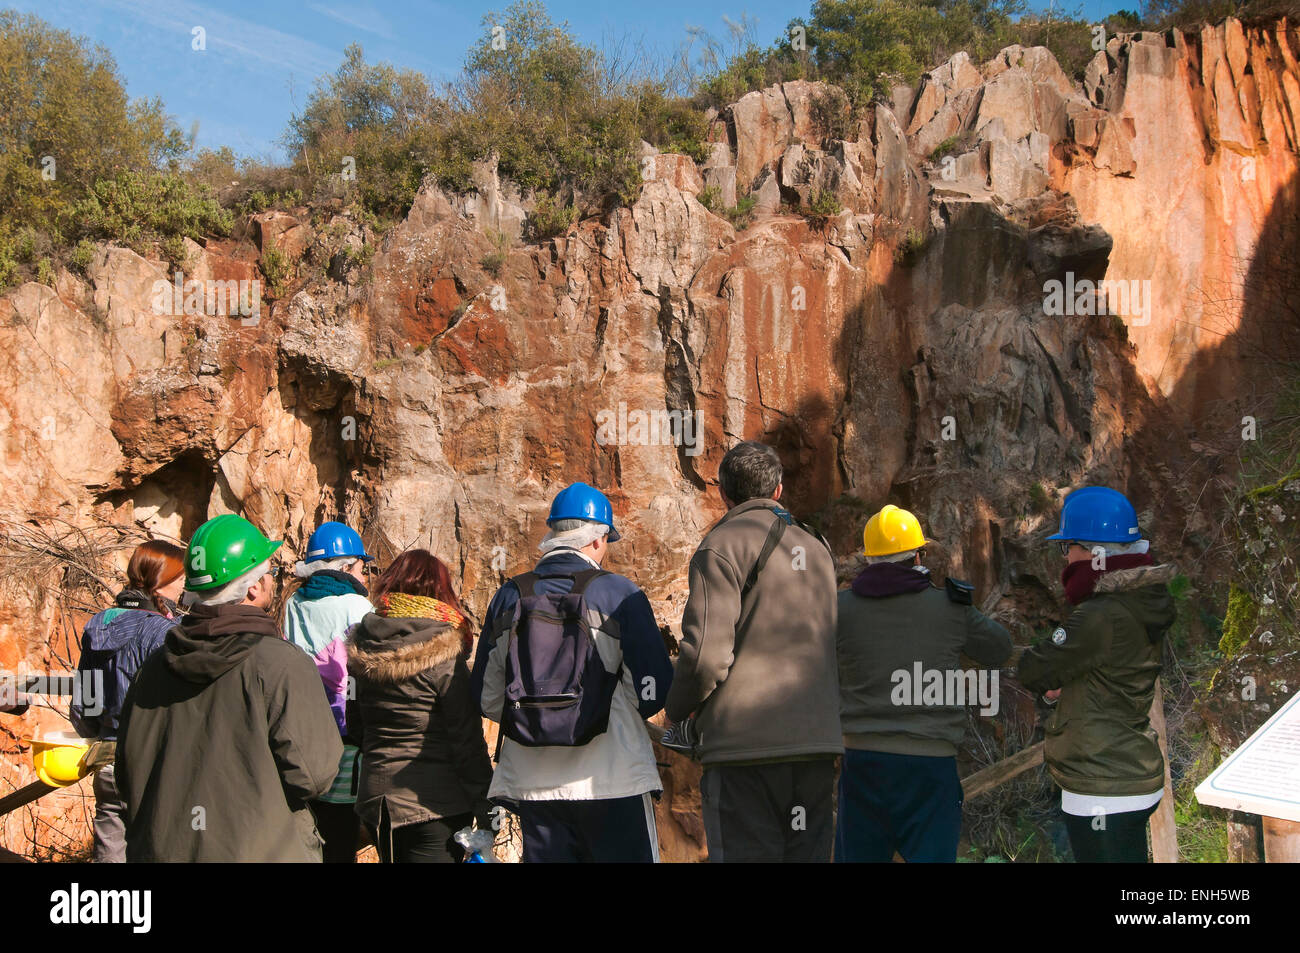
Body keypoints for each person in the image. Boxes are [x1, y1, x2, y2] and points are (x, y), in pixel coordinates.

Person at [115, 514, 342, 862]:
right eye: (268, 573)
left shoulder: (154, 666)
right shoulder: (281, 664)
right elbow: (314, 776)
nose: (271, 580)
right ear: (253, 587)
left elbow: (127, 770)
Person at [471, 482, 673, 863]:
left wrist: (536, 715)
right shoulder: (618, 594)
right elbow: (652, 692)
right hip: (614, 779)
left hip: (534, 788)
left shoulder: (509, 596)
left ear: (553, 534)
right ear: (597, 540)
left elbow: (487, 697)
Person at [664, 441, 842, 862]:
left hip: (745, 755)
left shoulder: (722, 545)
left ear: (724, 493)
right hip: (816, 750)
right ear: (778, 490)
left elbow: (706, 655)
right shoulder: (817, 547)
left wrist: (676, 711)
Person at [834, 505, 1012, 863]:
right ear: (918, 555)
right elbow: (1000, 649)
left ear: (868, 560)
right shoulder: (949, 606)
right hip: (929, 766)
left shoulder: (839, 608)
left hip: (863, 763)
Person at [1017, 486, 1176, 863]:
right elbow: (1107, 669)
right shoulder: (1141, 601)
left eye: (1068, 545)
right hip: (1129, 771)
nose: (1066, 556)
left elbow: (1034, 667)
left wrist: (1054, 668)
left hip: (1101, 785)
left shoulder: (1101, 614)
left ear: (1093, 551)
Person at [347, 549, 493, 863]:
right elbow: (466, 741)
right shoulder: (443, 656)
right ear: (440, 593)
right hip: (436, 804)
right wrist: (487, 806)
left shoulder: (361, 649)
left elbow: (355, 724)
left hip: (377, 801)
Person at [69, 540, 187, 863]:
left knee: (111, 851)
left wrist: (102, 733)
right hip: (151, 764)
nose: (183, 586)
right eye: (179, 578)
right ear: (160, 581)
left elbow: (84, 707)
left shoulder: (98, 625)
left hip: (107, 760)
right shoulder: (164, 633)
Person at [283, 521, 375, 863]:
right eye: (362, 568)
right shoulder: (357, 607)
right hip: (347, 735)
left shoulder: (292, 603)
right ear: (347, 566)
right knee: (343, 834)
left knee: (316, 830)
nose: (365, 578)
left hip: (301, 730)